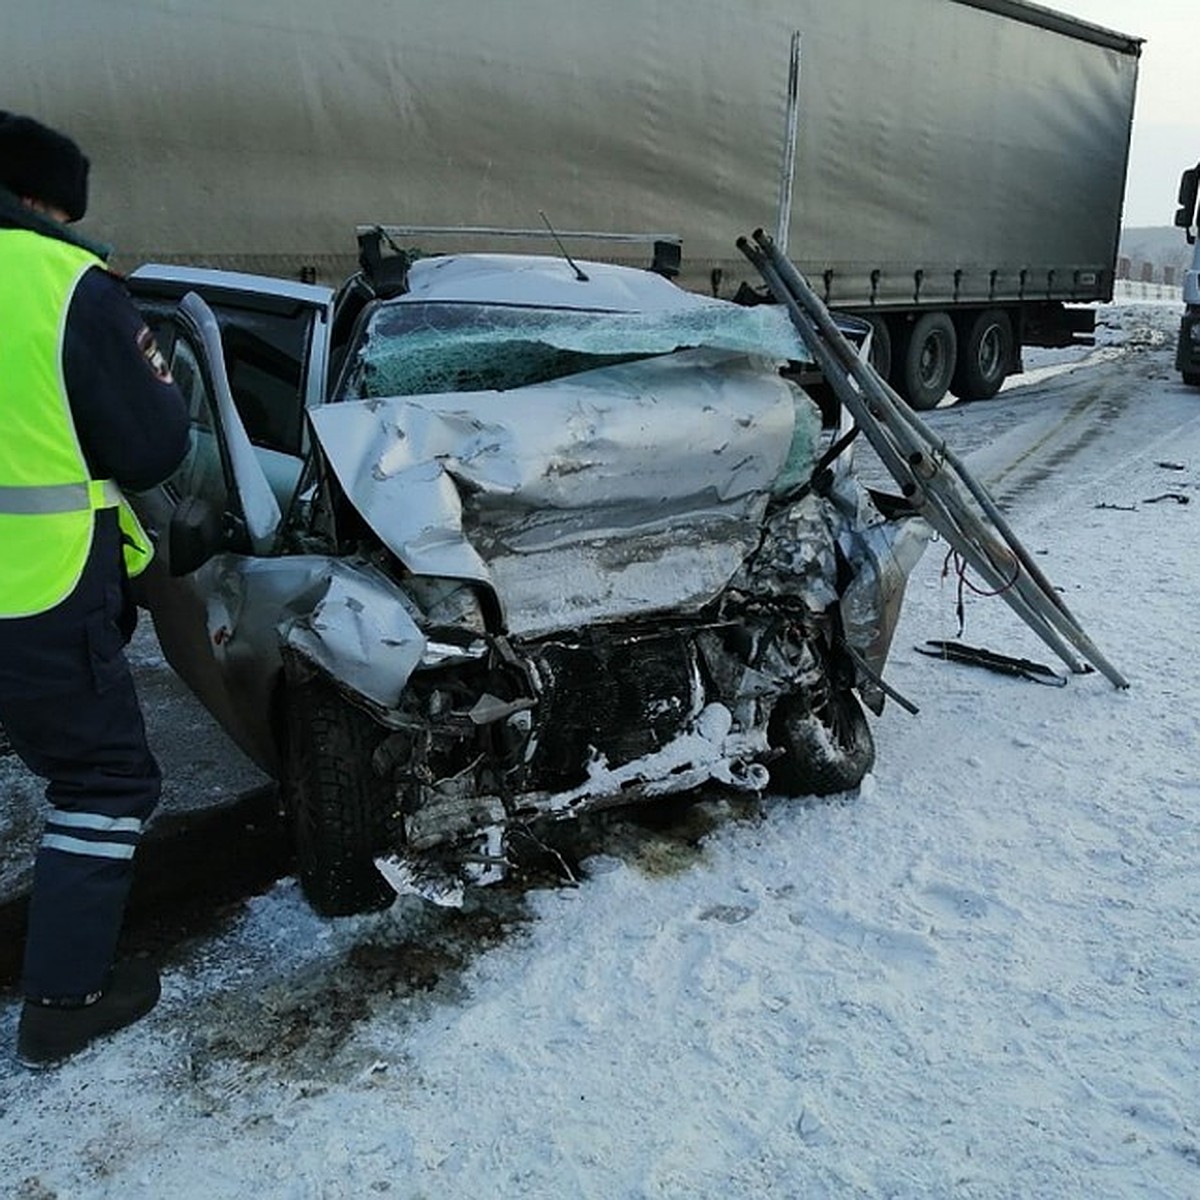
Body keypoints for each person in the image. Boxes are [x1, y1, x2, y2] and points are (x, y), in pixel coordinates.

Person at [0, 113, 190, 1067]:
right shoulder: (63, 284)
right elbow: (156, 446)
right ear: (42, 199)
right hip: (31, 589)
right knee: (104, 781)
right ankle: (66, 1000)